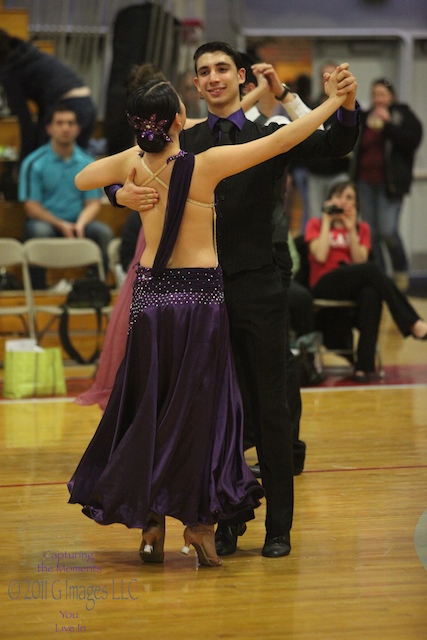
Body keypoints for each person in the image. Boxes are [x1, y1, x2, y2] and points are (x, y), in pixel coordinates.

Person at [67, 72, 348, 566]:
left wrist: (121, 196)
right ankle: (199, 526)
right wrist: (332, 103)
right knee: (200, 416)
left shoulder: (131, 162)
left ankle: (150, 523)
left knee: (147, 411)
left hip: (151, 301)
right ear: (180, 121)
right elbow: (284, 138)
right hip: (198, 302)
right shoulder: (204, 165)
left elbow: (81, 178)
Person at [305, 180, 427, 382]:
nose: (343, 201)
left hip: (353, 283)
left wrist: (351, 229)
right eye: (338, 195)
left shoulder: (362, 229)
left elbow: (359, 260)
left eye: (349, 197)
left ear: (356, 205)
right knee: (373, 269)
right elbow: (319, 255)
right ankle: (412, 321)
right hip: (325, 284)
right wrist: (327, 221)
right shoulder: (315, 224)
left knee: (370, 294)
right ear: (329, 199)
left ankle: (363, 367)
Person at [18, 105, 113, 289]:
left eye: (70, 123)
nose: (65, 128)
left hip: (79, 222)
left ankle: (95, 287)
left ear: (78, 129)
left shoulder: (87, 162)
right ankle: (39, 289)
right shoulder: (33, 162)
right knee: (39, 232)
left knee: (103, 233)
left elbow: (93, 203)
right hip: (47, 222)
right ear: (49, 128)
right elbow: (31, 207)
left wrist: (80, 224)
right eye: (59, 123)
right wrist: (61, 225)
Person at [351, 77, 423, 293]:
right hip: (364, 182)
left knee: (388, 232)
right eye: (374, 95)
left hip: (389, 185)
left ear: (391, 96)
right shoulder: (364, 117)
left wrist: (389, 124)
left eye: (382, 95)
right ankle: (380, 278)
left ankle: (401, 272)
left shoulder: (403, 116)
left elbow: (411, 142)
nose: (378, 99)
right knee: (370, 233)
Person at [0, 29, 96, 161]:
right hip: (87, 104)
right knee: (77, 164)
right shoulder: (28, 53)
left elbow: (25, 123)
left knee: (46, 161)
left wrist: (23, 163)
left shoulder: (10, 72)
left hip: (65, 106)